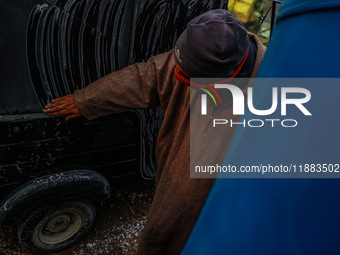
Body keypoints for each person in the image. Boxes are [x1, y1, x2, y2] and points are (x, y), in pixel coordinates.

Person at [43, 9, 266, 255]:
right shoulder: (208, 54)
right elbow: (145, 77)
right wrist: (87, 100)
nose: (177, 75)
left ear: (224, 79)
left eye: (187, 77)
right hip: (178, 182)